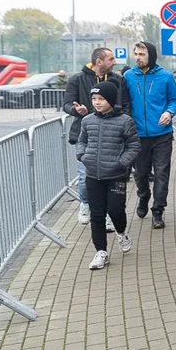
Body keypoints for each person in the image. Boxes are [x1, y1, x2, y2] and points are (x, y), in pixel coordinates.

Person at [76, 82, 139, 270]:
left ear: (111, 100)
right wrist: (83, 156)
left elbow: (134, 146)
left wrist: (121, 163)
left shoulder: (125, 121)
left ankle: (121, 232)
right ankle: (101, 252)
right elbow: (82, 141)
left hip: (115, 176)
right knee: (97, 214)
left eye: (101, 99)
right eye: (94, 99)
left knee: (115, 210)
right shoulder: (87, 121)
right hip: (93, 175)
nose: (96, 102)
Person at [63, 48, 130, 225]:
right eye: (111, 59)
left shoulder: (118, 80)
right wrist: (76, 110)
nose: (114, 62)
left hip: (112, 136)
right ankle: (85, 203)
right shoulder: (77, 79)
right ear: (99, 61)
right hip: (85, 135)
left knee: (110, 178)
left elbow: (125, 104)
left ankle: (108, 215)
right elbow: (67, 104)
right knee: (85, 176)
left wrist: (125, 125)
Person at [123, 41, 176, 229]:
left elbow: (174, 99)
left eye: (142, 54)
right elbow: (124, 103)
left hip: (162, 134)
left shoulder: (165, 77)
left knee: (162, 173)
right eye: (136, 54)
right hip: (137, 135)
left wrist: (169, 112)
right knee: (140, 174)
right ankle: (143, 196)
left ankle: (158, 211)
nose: (138, 57)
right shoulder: (128, 76)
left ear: (151, 56)